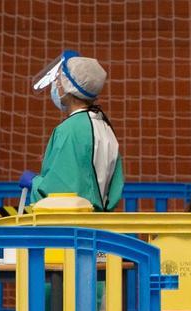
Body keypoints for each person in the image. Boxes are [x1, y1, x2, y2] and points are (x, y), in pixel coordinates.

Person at [20, 51, 124, 211]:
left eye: (59, 78)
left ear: (70, 87)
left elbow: (60, 194)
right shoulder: (104, 126)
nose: (55, 83)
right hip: (100, 225)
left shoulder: (69, 130)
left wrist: (34, 183)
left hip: (74, 228)